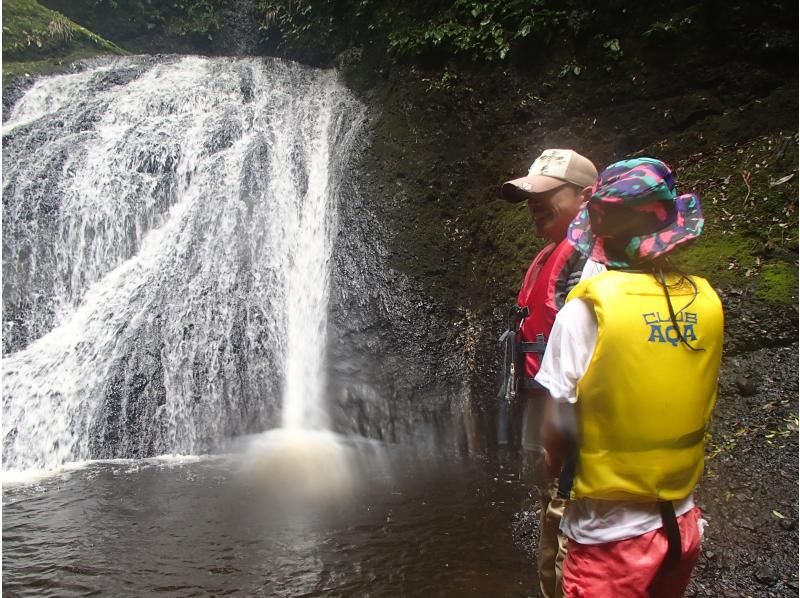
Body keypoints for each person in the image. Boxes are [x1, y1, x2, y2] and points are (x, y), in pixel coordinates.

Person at [534, 157, 724, 597]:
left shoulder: (585, 311)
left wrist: (552, 468)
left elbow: (557, 421)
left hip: (610, 539)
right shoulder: (707, 302)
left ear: (601, 233)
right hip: (681, 523)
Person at [500, 148, 599, 598]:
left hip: (577, 437)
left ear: (586, 196)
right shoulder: (555, 255)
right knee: (552, 542)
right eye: (531, 196)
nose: (534, 204)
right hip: (554, 429)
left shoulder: (592, 264)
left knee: (569, 553)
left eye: (546, 194)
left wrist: (560, 443)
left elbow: (590, 362)